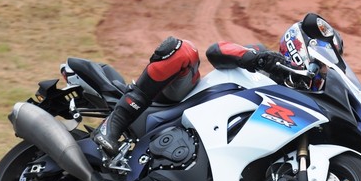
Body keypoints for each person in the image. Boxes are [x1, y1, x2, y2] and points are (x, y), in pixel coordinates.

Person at [92, 37, 288, 156]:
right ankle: (113, 125)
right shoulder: (265, 59)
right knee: (183, 50)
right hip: (183, 101)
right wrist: (260, 59)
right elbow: (216, 51)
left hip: (211, 143)